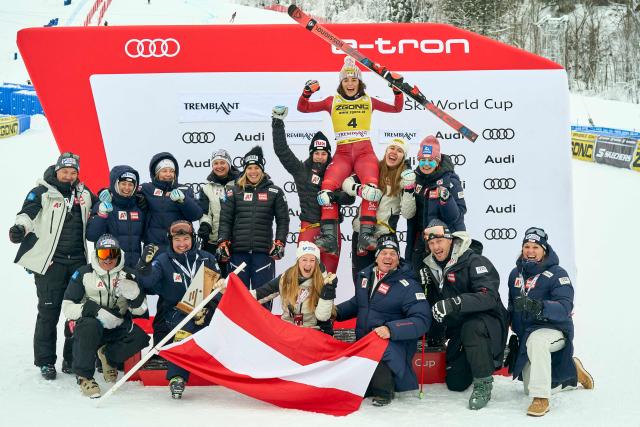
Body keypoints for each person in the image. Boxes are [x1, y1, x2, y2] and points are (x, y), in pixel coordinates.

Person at [297, 56, 403, 254]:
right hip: (343, 153)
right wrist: (306, 93)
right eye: (346, 80)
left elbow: (397, 108)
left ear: (360, 82)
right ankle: (329, 238)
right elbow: (302, 108)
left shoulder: (368, 100)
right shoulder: (332, 101)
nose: (350, 83)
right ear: (341, 82)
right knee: (326, 189)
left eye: (354, 80)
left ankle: (366, 235)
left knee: (372, 186)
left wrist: (397, 91)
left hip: (364, 152)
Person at [9, 152, 96, 380]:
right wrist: (20, 229)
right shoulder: (42, 192)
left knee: (76, 313)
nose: (68, 176)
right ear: (57, 171)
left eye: (73, 172)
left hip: (78, 263)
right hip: (51, 264)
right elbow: (26, 214)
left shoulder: (85, 194)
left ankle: (72, 358)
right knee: (49, 313)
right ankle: (46, 361)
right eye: (64, 172)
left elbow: (102, 211)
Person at [417, 219, 508, 410]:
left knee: (472, 327)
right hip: (459, 325)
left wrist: (454, 303)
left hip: (488, 321)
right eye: (431, 243)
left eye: (439, 241)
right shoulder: (432, 265)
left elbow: (488, 297)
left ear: (450, 240)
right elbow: (437, 303)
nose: (435, 247)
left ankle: (483, 385)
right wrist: (426, 289)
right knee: (456, 383)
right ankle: (475, 359)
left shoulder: (474, 261)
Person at [507, 227, 594, 417]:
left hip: (555, 329)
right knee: (529, 387)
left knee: (537, 341)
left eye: (535, 247)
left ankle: (541, 399)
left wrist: (538, 306)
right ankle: (573, 372)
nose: (530, 251)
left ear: (544, 250)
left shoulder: (558, 274)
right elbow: (511, 305)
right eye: (526, 246)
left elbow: (565, 307)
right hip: (527, 332)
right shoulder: (515, 274)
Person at [335, 234, 430, 406]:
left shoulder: (408, 285)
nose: (388, 257)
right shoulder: (366, 275)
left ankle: (384, 391)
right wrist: (336, 312)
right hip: (363, 344)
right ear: (376, 256)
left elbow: (422, 320)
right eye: (384, 253)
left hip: (392, 346)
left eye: (393, 254)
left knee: (379, 348)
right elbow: (360, 303)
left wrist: (391, 329)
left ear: (398, 258)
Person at [137, 220, 221, 399]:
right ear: (170, 241)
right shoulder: (163, 260)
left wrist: (209, 307)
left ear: (193, 238)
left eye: (186, 238)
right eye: (177, 240)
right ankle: (177, 377)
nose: (182, 244)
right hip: (174, 313)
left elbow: (218, 290)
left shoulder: (207, 258)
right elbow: (147, 283)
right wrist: (143, 266)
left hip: (205, 311)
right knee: (185, 326)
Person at [61, 234, 149, 398]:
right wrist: (93, 310)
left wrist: (135, 295)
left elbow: (142, 311)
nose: (108, 259)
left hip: (117, 324)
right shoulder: (83, 273)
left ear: (119, 254)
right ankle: (85, 377)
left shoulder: (129, 274)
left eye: (113, 254)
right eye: (103, 254)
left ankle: (108, 356)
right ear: (96, 254)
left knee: (141, 338)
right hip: (92, 325)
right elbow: (67, 307)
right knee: (89, 326)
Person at [271, 106, 354, 273]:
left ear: (329, 155)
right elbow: (282, 151)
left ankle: (327, 300)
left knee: (329, 277)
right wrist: (277, 123)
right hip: (309, 227)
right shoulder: (301, 170)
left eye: (324, 153)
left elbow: (350, 198)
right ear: (311, 154)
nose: (320, 157)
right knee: (305, 276)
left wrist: (334, 196)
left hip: (332, 229)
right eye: (316, 153)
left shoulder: (338, 172)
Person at [216, 146, 289, 309]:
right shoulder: (233, 191)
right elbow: (225, 220)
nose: (253, 172)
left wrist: (280, 243)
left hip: (263, 254)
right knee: (236, 297)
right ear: (245, 170)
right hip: (238, 253)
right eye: (249, 168)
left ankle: (262, 333)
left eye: (256, 168)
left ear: (262, 169)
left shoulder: (275, 192)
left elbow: (283, 220)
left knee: (263, 297)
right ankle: (237, 332)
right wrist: (222, 242)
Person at [223, 241, 337, 334]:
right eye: (304, 260)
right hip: (288, 331)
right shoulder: (286, 278)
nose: (308, 264)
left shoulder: (325, 281)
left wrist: (328, 291)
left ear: (317, 263)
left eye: (312, 260)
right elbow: (257, 295)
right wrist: (229, 290)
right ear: (298, 261)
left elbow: (322, 317)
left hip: (312, 332)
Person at [343, 137, 416, 281]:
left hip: (385, 237)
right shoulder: (372, 167)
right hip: (361, 232)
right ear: (386, 150)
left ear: (403, 157)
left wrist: (409, 189)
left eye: (400, 150)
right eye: (392, 148)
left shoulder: (405, 177)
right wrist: (359, 190)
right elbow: (346, 182)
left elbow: (408, 213)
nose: (394, 152)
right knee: (361, 280)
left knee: (387, 283)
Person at [405, 135, 466, 267]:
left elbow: (460, 213)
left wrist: (446, 199)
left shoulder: (450, 180)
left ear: (438, 161)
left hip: (446, 243)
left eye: (431, 161)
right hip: (421, 243)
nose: (426, 165)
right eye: (422, 160)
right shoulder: (414, 178)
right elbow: (409, 214)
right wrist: (407, 190)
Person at [139, 152, 203, 252]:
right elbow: (126, 191)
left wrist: (184, 201)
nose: (168, 174)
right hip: (155, 248)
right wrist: (107, 191)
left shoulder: (185, 189)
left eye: (172, 171)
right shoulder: (147, 188)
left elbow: (197, 215)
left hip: (180, 247)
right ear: (156, 173)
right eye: (164, 171)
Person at [86, 165, 147, 268]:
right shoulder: (103, 204)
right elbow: (92, 236)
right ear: (115, 184)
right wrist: (101, 215)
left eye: (130, 184)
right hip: (109, 268)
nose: (127, 188)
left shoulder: (139, 206)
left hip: (133, 269)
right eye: (123, 184)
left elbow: (145, 236)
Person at [197, 149, 240, 273]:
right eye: (216, 163)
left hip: (236, 241)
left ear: (229, 164)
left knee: (235, 281)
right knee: (214, 281)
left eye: (223, 163)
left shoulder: (240, 184)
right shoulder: (206, 187)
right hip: (213, 240)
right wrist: (205, 225)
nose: (219, 166)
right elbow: (205, 213)